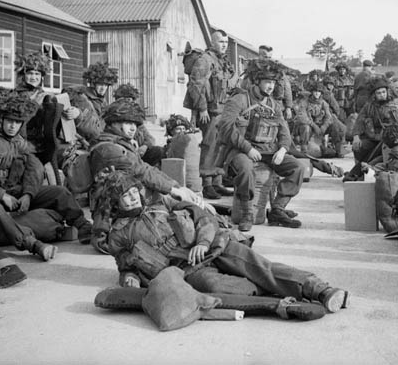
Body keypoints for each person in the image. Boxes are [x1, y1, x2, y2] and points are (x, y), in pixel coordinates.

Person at [103, 171, 349, 314]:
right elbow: (125, 265)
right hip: (187, 269)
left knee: (257, 265)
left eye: (134, 192)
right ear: (116, 203)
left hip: (213, 246)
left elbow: (203, 217)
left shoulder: (163, 203)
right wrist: (129, 278)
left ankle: (319, 289)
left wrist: (202, 241)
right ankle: (281, 294)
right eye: (125, 197)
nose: (133, 199)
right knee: (219, 287)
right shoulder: (119, 234)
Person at [0, 90, 93, 259]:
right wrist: (2, 196)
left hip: (14, 193)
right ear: (2, 119)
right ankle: (32, 244)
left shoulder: (19, 141)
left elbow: (34, 168)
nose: (13, 126)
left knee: (59, 192)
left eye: (17, 122)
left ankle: (83, 227)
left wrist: (28, 194)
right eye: (10, 121)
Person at [87, 99, 202, 252]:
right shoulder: (109, 149)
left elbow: (146, 168)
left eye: (135, 124)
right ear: (113, 123)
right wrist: (174, 191)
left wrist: (177, 187)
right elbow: (141, 172)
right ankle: (108, 234)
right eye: (128, 123)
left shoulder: (119, 142)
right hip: (113, 210)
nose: (133, 128)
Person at [217, 64, 304, 231]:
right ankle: (247, 214)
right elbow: (226, 128)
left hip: (269, 151)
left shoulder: (274, 105)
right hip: (241, 150)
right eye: (267, 82)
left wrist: (283, 150)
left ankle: (278, 209)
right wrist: (248, 148)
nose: (271, 86)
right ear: (256, 82)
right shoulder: (239, 100)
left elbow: (284, 132)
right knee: (246, 168)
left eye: (273, 82)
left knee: (297, 167)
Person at [183, 30, 236, 200]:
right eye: (221, 42)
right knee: (210, 146)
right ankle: (206, 184)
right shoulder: (205, 60)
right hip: (210, 112)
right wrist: (202, 108)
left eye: (226, 42)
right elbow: (196, 84)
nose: (224, 45)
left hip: (223, 110)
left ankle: (217, 182)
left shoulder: (223, 62)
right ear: (212, 43)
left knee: (221, 146)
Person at [14, 51, 81, 166]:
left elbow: (62, 123)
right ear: (23, 75)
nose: (34, 77)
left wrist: (76, 113)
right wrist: (34, 105)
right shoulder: (14, 96)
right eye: (30, 73)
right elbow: (16, 124)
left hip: (45, 145)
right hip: (24, 145)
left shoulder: (46, 95)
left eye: (37, 74)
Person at [343, 77, 398, 182]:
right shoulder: (369, 106)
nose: (382, 95)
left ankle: (364, 171)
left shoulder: (393, 105)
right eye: (379, 93)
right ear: (374, 95)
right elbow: (359, 121)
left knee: (381, 156)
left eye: (383, 92)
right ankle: (360, 169)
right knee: (359, 147)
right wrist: (356, 137)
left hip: (388, 140)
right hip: (372, 138)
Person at [112, 84, 163, 166]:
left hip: (138, 154)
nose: (127, 103)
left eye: (129, 100)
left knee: (158, 151)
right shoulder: (113, 118)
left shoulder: (136, 119)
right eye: (124, 100)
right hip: (123, 155)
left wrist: (145, 146)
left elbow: (150, 138)